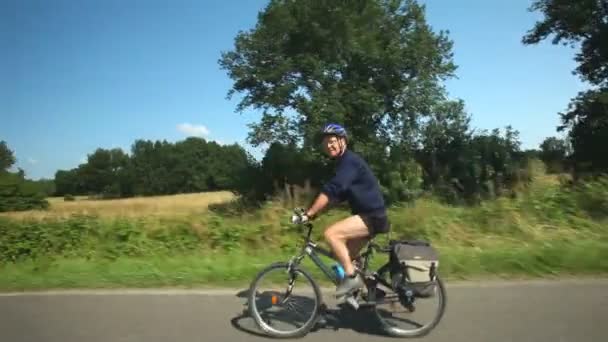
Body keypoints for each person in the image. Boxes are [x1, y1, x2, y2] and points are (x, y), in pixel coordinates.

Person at [294, 123, 390, 297]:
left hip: (372, 216)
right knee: (344, 255)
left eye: (332, 141)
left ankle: (352, 278)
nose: (328, 146)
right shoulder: (343, 163)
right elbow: (338, 196)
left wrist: (309, 213)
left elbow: (333, 188)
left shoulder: (349, 161)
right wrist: (316, 213)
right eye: (325, 144)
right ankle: (370, 292)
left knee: (332, 234)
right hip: (369, 216)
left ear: (342, 141)